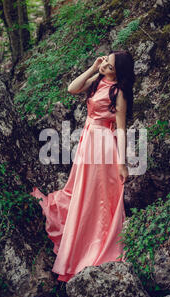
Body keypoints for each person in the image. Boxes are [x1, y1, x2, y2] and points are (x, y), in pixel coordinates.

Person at [30, 50, 135, 282]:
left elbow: (120, 128)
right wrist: (93, 67)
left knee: (97, 197)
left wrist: (122, 163)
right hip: (88, 140)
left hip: (102, 145)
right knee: (81, 191)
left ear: (118, 72)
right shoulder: (97, 80)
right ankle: (80, 236)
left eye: (109, 64)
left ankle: (94, 246)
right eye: (106, 59)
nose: (105, 63)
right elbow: (72, 88)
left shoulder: (119, 92)